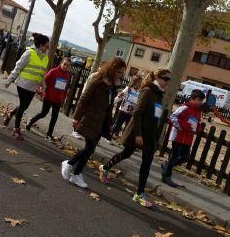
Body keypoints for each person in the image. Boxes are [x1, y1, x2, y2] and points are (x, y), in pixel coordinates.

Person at [99, 68, 171, 207]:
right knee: (127, 153)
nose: (168, 82)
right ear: (157, 77)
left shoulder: (159, 94)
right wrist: (138, 134)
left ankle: (139, 194)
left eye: (169, 79)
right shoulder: (148, 91)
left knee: (147, 162)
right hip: (138, 132)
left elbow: (155, 116)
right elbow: (137, 113)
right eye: (166, 78)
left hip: (150, 134)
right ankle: (105, 167)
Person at [61, 57, 126, 189]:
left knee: (91, 149)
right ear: (112, 69)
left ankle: (77, 174)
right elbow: (84, 98)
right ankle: (69, 163)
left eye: (122, 73)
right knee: (90, 147)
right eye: (119, 72)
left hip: (101, 121)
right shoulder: (98, 80)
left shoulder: (113, 85)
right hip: (90, 117)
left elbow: (108, 105)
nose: (121, 75)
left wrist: (109, 123)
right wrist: (76, 117)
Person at [3, 33, 49, 140]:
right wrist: (9, 80)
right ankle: (16, 129)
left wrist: (43, 85)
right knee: (23, 106)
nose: (47, 48)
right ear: (41, 45)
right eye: (46, 46)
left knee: (24, 106)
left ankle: (10, 115)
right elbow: (18, 67)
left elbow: (42, 73)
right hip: (23, 84)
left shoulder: (45, 58)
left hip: (33, 87)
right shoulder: (29, 53)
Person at [161, 89, 205, 187]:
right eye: (199, 100)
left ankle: (166, 166)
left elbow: (197, 123)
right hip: (178, 136)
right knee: (174, 156)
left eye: (202, 100)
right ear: (193, 99)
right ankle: (166, 177)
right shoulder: (184, 108)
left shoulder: (198, 112)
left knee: (185, 157)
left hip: (188, 138)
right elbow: (173, 117)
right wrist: (182, 125)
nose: (201, 102)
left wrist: (198, 128)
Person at [26, 57, 72, 141]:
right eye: (64, 64)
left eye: (68, 65)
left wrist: (64, 97)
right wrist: (42, 90)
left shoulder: (68, 75)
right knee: (43, 113)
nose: (66, 66)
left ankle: (49, 134)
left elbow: (66, 88)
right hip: (49, 97)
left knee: (54, 117)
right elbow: (44, 81)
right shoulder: (53, 71)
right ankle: (31, 121)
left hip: (58, 99)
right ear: (61, 63)